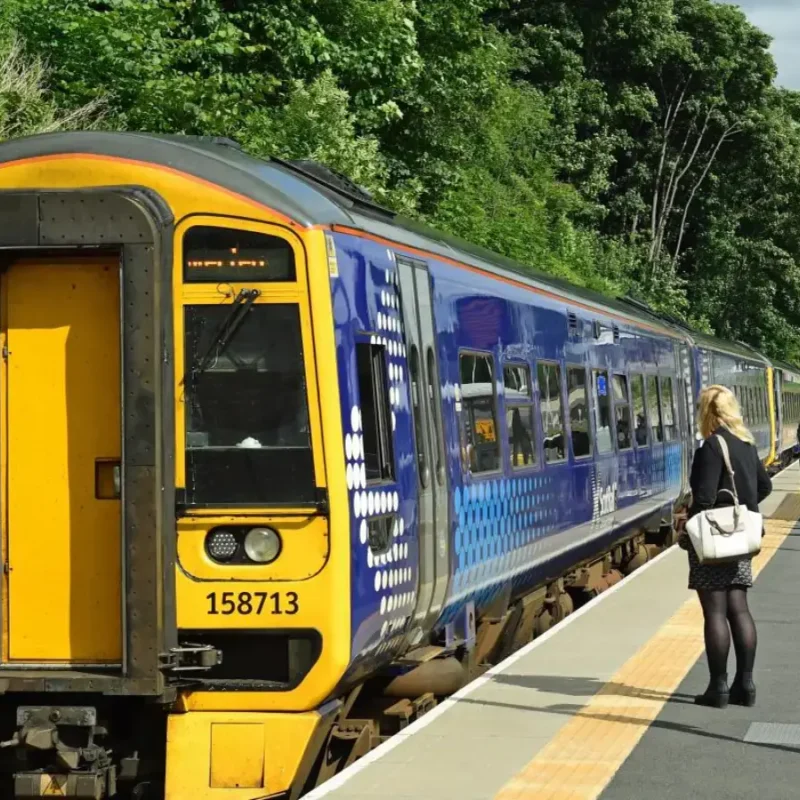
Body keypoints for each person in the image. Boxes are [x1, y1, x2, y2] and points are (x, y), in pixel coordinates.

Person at [679, 385, 772, 709]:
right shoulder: (746, 444)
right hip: (743, 539)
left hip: (715, 541)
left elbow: (703, 499)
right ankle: (745, 686)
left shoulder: (711, 447)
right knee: (740, 608)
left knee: (715, 613)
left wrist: (689, 529)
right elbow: (765, 486)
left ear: (707, 412)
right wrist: (742, 511)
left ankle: (717, 688)